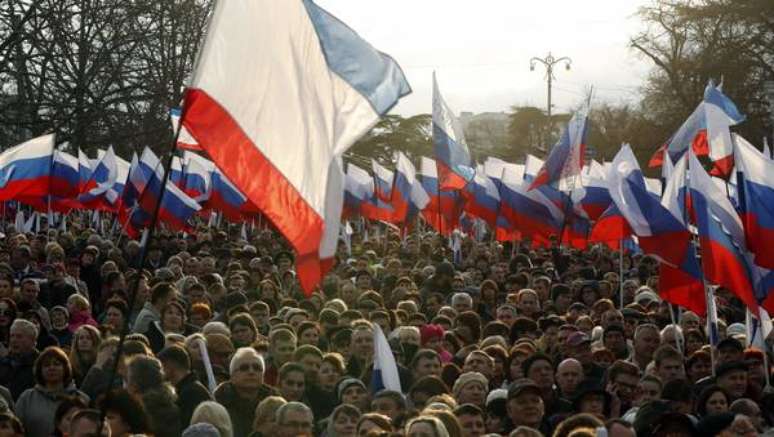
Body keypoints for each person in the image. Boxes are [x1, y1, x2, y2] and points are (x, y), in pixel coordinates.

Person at [15, 346, 87, 436]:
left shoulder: (81, 398)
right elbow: (16, 430)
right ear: (40, 370)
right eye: (46, 365)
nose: (51, 368)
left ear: (65, 368)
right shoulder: (27, 398)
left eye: (56, 364)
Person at [215, 347, 277, 437]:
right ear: (232, 375)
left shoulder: (276, 404)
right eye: (244, 368)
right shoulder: (218, 403)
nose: (251, 372)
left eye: (257, 368)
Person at [158, 344, 212, 426]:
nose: (160, 372)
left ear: (170, 365)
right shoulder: (188, 389)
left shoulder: (191, 393)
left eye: (161, 367)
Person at [0, 319, 39, 399]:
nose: (14, 340)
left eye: (19, 336)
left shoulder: (40, 364)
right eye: (12, 336)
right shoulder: (3, 362)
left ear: (32, 340)